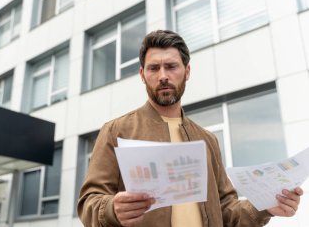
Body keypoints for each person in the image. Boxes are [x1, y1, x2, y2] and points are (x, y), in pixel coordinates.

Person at [78, 30, 303, 227]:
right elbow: (89, 201)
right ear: (142, 75)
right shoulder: (116, 131)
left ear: (187, 71)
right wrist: (110, 209)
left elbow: (225, 210)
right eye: (154, 68)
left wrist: (264, 207)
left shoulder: (207, 140)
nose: (163, 76)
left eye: (171, 66)